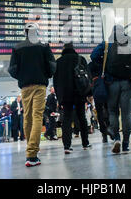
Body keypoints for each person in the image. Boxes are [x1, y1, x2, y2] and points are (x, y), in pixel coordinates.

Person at [91, 25, 131, 155]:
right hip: (127, 83)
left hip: (111, 83)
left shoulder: (106, 44)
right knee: (126, 114)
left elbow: (93, 56)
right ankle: (125, 145)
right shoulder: (130, 45)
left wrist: (103, 63)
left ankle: (116, 139)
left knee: (113, 112)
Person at [8, 22, 56, 167]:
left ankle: (31, 151)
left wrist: (22, 77)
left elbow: (12, 69)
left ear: (25, 33)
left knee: (27, 117)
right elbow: (52, 66)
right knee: (37, 117)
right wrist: (45, 75)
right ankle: (32, 154)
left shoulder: (17, 48)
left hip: (25, 87)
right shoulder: (44, 47)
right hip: (40, 85)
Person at [54, 42, 92, 154]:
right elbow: (88, 77)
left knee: (67, 119)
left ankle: (67, 146)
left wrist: (59, 98)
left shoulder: (58, 62)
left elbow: (56, 82)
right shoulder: (80, 59)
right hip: (79, 93)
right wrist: (88, 93)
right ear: (73, 48)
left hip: (65, 95)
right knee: (82, 118)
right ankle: (85, 143)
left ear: (63, 49)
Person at [88, 61, 111, 143]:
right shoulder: (104, 63)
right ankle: (109, 128)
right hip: (106, 89)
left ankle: (104, 134)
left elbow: (89, 80)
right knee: (108, 109)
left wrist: (89, 93)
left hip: (96, 91)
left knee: (99, 112)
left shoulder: (90, 65)